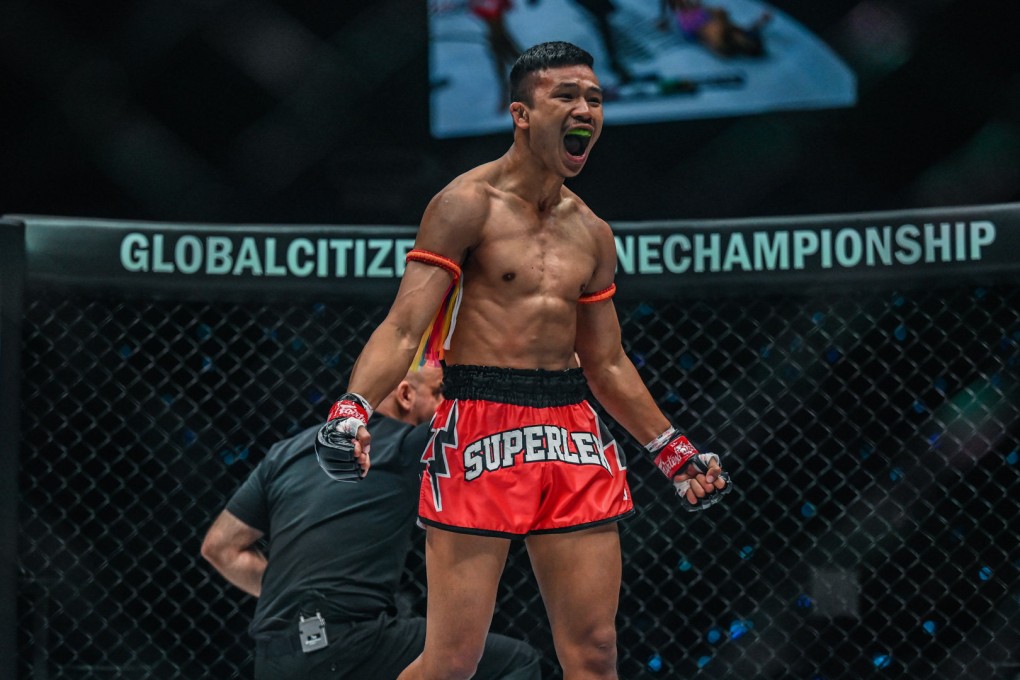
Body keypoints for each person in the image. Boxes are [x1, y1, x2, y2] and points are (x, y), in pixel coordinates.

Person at [314, 41, 731, 680]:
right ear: (522, 113)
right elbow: (404, 326)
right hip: (480, 422)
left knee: (595, 651)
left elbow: (608, 362)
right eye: (565, 95)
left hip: (570, 428)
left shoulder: (592, 232)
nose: (584, 107)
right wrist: (352, 410)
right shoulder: (465, 203)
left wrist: (671, 450)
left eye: (594, 97)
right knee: (453, 660)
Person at [201, 366, 542, 680]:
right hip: (350, 644)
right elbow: (486, 421)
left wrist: (295, 601)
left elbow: (220, 547)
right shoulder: (409, 445)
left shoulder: (285, 452)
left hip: (274, 654)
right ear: (406, 395)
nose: (445, 404)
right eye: (440, 392)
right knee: (516, 661)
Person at [659, 0, 771, 57]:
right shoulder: (735, 32)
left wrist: (721, 18)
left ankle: (665, 18)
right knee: (720, 13)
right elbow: (750, 29)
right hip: (703, 20)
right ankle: (665, 18)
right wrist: (762, 21)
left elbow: (714, 44)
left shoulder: (725, 46)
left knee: (719, 14)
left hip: (694, 27)